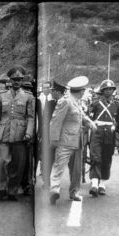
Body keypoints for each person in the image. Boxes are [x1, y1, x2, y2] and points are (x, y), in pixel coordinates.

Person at [0, 66, 36, 201]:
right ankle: (1, 189)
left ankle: (12, 190)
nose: (17, 82)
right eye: (14, 79)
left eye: (19, 79)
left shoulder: (28, 97)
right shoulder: (2, 95)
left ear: (22, 81)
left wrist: (28, 133)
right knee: (3, 162)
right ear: (10, 80)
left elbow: (31, 117)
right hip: (3, 133)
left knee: (17, 165)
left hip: (20, 135)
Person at [48, 76, 95, 204]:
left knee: (76, 170)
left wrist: (89, 122)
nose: (84, 93)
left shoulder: (77, 102)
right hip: (65, 140)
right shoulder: (65, 101)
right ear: (79, 91)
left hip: (77, 141)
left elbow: (81, 115)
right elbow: (55, 121)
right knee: (59, 166)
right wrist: (53, 140)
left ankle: (74, 192)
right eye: (83, 91)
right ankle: (54, 190)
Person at [87, 80, 119, 197]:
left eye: (111, 89)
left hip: (110, 134)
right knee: (95, 157)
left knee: (106, 159)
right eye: (106, 89)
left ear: (113, 91)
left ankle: (102, 184)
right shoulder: (95, 103)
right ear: (102, 91)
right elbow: (88, 118)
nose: (109, 91)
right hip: (97, 132)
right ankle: (94, 184)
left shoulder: (117, 105)